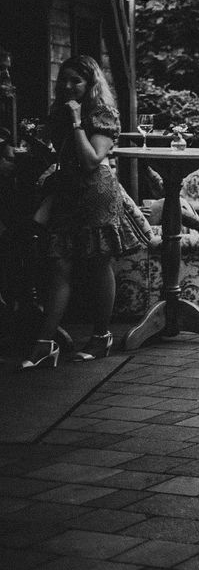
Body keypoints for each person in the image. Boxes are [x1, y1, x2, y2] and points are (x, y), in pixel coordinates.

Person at [21, 56, 151, 368]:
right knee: (59, 266)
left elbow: (92, 160)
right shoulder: (61, 109)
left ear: (90, 83)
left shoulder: (102, 113)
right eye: (63, 80)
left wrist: (78, 120)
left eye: (75, 81)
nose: (67, 86)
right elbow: (63, 154)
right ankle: (45, 343)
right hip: (67, 192)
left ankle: (101, 336)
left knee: (96, 265)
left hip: (95, 194)